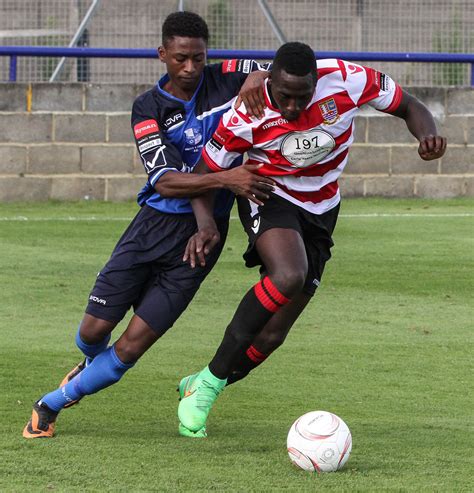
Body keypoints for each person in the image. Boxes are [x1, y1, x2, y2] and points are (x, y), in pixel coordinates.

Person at [22, 11, 275, 440]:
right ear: (163, 55)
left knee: (132, 345)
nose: (191, 68)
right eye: (180, 59)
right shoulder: (147, 107)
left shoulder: (227, 75)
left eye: (198, 58)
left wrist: (260, 76)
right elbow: (166, 180)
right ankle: (88, 363)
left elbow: (281, 67)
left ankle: (50, 404)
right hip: (152, 227)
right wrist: (228, 180)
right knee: (93, 331)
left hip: (202, 241)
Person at [177, 42, 447, 434]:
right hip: (269, 196)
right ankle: (208, 388)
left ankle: (203, 382)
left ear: (316, 81)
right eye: (284, 96)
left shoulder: (348, 80)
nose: (291, 107)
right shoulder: (247, 112)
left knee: (273, 334)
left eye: (300, 97)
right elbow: (205, 173)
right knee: (289, 275)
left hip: (323, 207)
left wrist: (428, 135)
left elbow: (409, 106)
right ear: (269, 80)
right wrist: (205, 223)